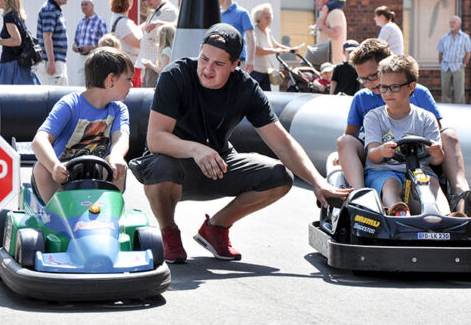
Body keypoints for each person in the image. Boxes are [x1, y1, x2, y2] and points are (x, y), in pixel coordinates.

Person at [128, 23, 352, 264]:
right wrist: (196, 149)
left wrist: (318, 183)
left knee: (279, 176)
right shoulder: (175, 75)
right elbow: (156, 138)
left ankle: (216, 228)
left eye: (219, 64)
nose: (207, 69)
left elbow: (283, 144)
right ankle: (169, 232)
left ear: (236, 65)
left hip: (218, 164)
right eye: (204, 59)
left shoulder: (245, 88)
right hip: (173, 166)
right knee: (160, 166)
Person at [334, 38, 469, 212]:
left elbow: (436, 131)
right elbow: (350, 135)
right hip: (380, 160)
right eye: (364, 79)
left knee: (449, 134)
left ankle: (459, 194)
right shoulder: (363, 100)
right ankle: (363, 198)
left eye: (373, 76)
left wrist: (434, 151)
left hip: (419, 160)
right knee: (344, 142)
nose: (370, 84)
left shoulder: (419, 94)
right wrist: (347, 156)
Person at [31, 47, 133, 204]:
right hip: (61, 176)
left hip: (95, 174)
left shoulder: (119, 109)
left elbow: (121, 137)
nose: (131, 85)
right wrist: (54, 167)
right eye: (128, 79)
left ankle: (110, 217)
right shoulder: (71, 104)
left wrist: (116, 156)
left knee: (119, 166)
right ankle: (55, 218)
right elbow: (40, 140)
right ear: (111, 80)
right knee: (41, 168)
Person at [364, 55, 450, 216]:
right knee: (390, 184)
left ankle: (446, 217)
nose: (388, 93)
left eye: (394, 87)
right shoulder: (374, 117)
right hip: (384, 170)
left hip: (419, 171)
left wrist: (437, 153)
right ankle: (398, 212)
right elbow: (373, 155)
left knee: (431, 182)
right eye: (384, 87)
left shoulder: (426, 118)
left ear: (411, 87)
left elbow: (437, 161)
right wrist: (382, 150)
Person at [0, 0, 39, 85]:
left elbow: (17, 40)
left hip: (10, 66)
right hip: (21, 67)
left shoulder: (8, 17)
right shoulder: (18, 17)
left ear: (7, 0)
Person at [135, 0, 178, 88]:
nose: (147, 2)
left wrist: (159, 23)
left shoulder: (168, 10)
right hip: (149, 65)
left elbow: (178, 27)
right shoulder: (156, 10)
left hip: (156, 66)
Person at [250, 3, 292, 91]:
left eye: (270, 17)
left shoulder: (268, 31)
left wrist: (290, 50)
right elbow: (257, 51)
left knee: (267, 98)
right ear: (258, 19)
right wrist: (276, 50)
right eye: (266, 17)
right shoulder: (254, 31)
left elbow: (276, 45)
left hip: (266, 72)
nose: (269, 20)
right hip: (255, 72)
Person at [36, 0, 70, 86]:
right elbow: (47, 36)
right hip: (51, 61)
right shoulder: (49, 9)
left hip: (57, 61)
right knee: (54, 97)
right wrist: (51, 62)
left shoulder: (56, 10)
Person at [110, 0, 143, 88]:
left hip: (128, 68)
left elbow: (135, 31)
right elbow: (138, 42)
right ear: (127, 1)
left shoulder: (121, 19)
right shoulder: (122, 23)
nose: (133, 0)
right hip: (128, 70)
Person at [437, 15, 471, 104]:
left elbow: (468, 53)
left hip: (458, 67)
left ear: (459, 24)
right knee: (445, 91)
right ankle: (446, 108)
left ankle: (460, 109)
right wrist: (441, 64)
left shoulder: (465, 37)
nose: (451, 24)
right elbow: (440, 52)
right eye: (450, 22)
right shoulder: (444, 38)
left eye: (454, 22)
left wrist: (463, 65)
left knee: (459, 92)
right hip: (446, 67)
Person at [219, 0, 255, 74]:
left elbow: (251, 36)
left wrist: (250, 59)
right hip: (220, 60)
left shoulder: (242, 13)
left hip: (237, 61)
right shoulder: (218, 14)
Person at [73, 0, 108, 84]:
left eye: (86, 4)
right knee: (80, 83)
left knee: (93, 83)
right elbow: (76, 41)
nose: (83, 6)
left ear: (92, 6)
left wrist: (91, 48)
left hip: (94, 57)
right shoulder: (81, 23)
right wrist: (75, 47)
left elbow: (107, 42)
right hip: (81, 58)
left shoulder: (100, 21)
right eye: (82, 5)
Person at [314, 0, 347, 64]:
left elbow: (336, 34)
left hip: (333, 65)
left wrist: (321, 26)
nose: (316, 3)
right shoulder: (326, 13)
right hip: (326, 64)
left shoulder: (335, 13)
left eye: (318, 0)